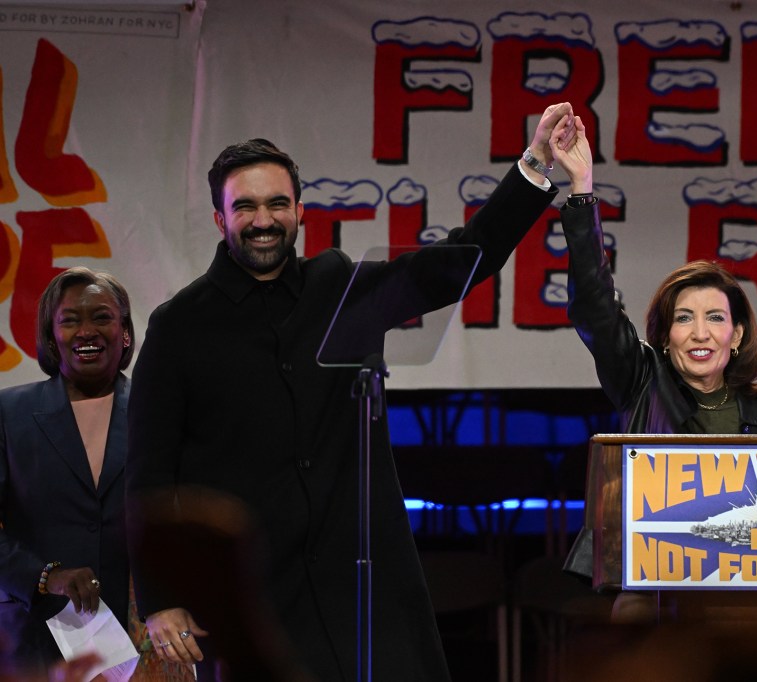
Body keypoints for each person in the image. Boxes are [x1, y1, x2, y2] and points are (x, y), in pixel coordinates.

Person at [126, 102, 583, 681]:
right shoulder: (180, 324)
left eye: (276, 204)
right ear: (220, 219)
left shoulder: (338, 284)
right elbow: (149, 472)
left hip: (366, 582)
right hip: (255, 595)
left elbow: (459, 263)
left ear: (299, 213)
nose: (262, 219)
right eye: (244, 206)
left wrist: (534, 163)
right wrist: (161, 597)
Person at [552, 117, 757, 619]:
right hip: (655, 585)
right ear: (665, 336)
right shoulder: (642, 379)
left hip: (744, 592)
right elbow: (597, 306)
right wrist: (582, 191)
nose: (701, 332)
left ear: (736, 334)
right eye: (684, 319)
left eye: (715, 318)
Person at [0, 267, 134, 675]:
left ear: (125, 332)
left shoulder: (160, 412)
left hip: (142, 640)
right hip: (36, 639)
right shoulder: (9, 413)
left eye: (102, 317)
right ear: (50, 336)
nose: (86, 331)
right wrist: (46, 576)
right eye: (71, 320)